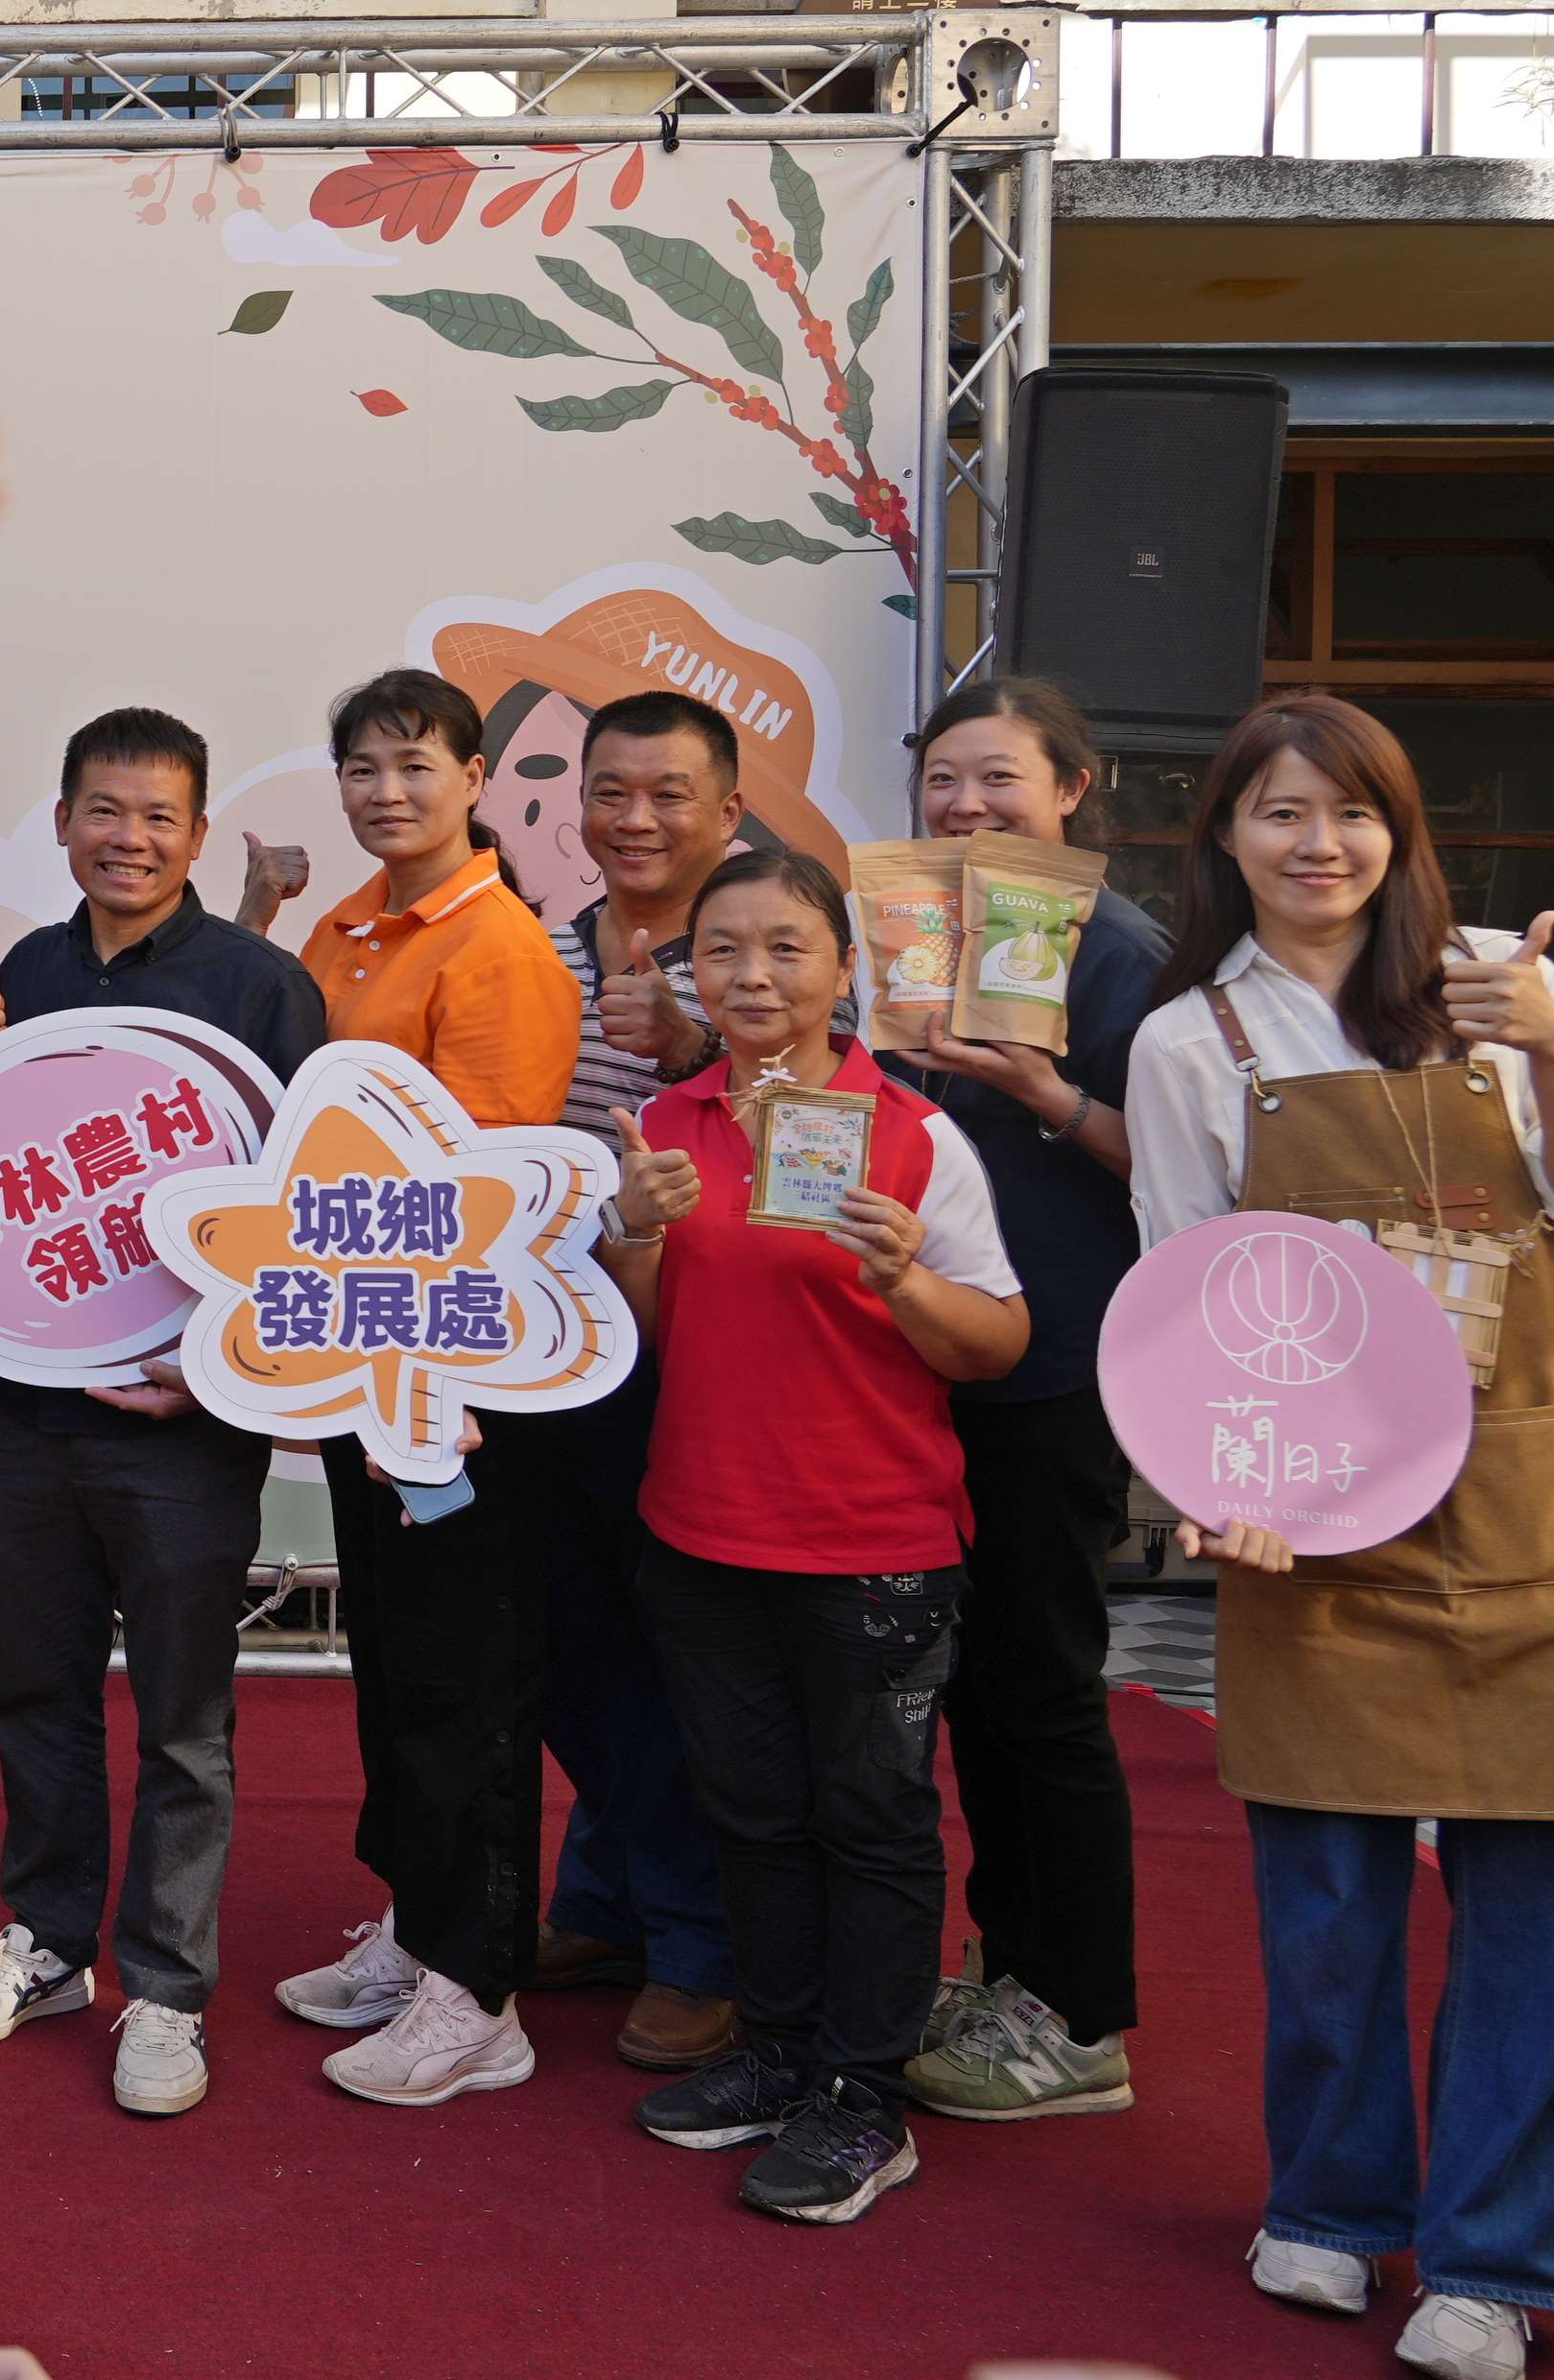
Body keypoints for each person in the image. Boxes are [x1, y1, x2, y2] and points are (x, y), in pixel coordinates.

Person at [1129, 696, 1554, 2380]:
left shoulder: (1496, 1005)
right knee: (1326, 1899)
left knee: (1547, 1899)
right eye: (1276, 814)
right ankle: (1331, 2204)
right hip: (1321, 1513)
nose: (1316, 845)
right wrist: (1216, 1486)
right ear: (1222, 840)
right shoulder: (1187, 1043)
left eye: (1349, 813)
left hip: (1541, 1494)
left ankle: (1494, 2261)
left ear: (1398, 832)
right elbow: (1184, 1295)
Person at [602, 846, 1029, 2226]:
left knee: (873, 1820)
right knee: (751, 1811)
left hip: (873, 1543)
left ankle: (865, 2096)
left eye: (787, 948)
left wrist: (904, 1273)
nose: (753, 976)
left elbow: (999, 1343)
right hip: (703, 1531)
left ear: (844, 971)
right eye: (722, 950)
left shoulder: (912, 1133)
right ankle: (778, 2054)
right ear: (692, 973)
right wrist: (635, 1239)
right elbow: (665, 1340)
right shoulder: (666, 1125)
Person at [0, 708, 325, 2121]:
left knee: (185, 1723)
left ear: (199, 836)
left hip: (179, 1422)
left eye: (157, 816)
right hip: (21, 1409)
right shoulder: (24, 972)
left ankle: (166, 1988)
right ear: (64, 821)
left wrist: (209, 1370)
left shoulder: (263, 984)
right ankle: (44, 1944)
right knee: (32, 1691)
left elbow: (295, 1214)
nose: (129, 838)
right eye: (104, 810)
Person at [275, 669, 583, 2108]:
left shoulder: (499, 945)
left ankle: (481, 1990)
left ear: (474, 778)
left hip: (452, 1369)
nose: (386, 790)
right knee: (395, 1657)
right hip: (358, 1350)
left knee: (470, 1674)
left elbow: (485, 1186)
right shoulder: (347, 929)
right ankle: (416, 1927)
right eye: (361, 767)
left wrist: (427, 1384)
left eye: (414, 764)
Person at [891, 678, 1158, 2128]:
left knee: (1042, 1691)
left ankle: (1081, 2018)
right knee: (977, 1689)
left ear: (1074, 787)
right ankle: (1014, 1973)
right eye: (943, 780)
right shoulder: (915, 936)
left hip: (1054, 1375)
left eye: (999, 779)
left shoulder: (1117, 953)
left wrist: (1048, 1095)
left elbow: (1195, 1179)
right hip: (933, 1367)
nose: (968, 807)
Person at [529, 690, 748, 2075]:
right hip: (550, 1355)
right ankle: (607, 1904)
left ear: (728, 811)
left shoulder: (766, 958)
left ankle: (700, 1946)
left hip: (700, 1360)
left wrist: (701, 1046)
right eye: (612, 791)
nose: (636, 818)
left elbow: (818, 1127)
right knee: (571, 1648)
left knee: (678, 1661)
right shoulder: (537, 953)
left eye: (670, 793)